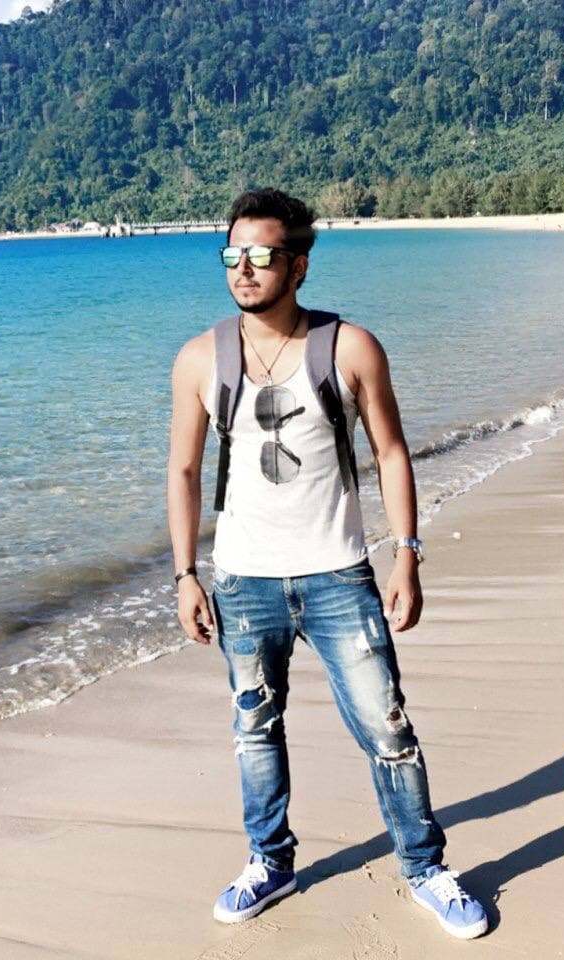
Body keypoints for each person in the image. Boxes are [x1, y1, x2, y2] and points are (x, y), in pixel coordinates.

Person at [165, 188, 488, 940]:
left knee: (387, 727)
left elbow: (391, 453)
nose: (244, 269)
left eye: (261, 255)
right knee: (255, 729)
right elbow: (183, 471)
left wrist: (406, 555)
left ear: (299, 264)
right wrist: (185, 575)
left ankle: (425, 868)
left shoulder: (349, 348)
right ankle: (269, 862)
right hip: (243, 581)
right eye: (232, 255)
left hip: (339, 574)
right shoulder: (199, 358)